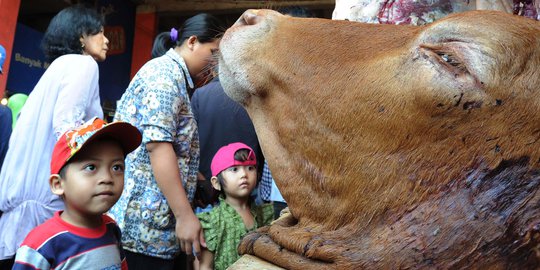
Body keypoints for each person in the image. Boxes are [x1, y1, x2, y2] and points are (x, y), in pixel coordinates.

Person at [107, 13, 226, 270]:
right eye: (214, 52)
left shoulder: (179, 79)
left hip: (157, 227)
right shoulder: (163, 76)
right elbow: (158, 146)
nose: (216, 64)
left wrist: (197, 182)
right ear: (192, 42)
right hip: (142, 232)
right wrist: (185, 216)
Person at [0, 5, 109, 267]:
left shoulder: (59, 66)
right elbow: (67, 127)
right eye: (100, 33)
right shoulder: (84, 64)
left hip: (22, 203)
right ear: (82, 36)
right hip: (47, 201)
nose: (106, 41)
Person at [11, 117, 142, 270]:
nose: (107, 178)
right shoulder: (41, 245)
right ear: (58, 184)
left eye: (117, 167)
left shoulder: (112, 229)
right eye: (91, 167)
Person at [190, 75, 264, 211]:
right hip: (247, 178)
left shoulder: (201, 95)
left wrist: (200, 178)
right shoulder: (253, 95)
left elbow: (190, 142)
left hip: (208, 185)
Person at [197, 143, 274, 270]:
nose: (244, 174)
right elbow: (205, 266)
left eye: (250, 168)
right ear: (216, 183)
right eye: (234, 169)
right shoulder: (212, 221)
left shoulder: (265, 214)